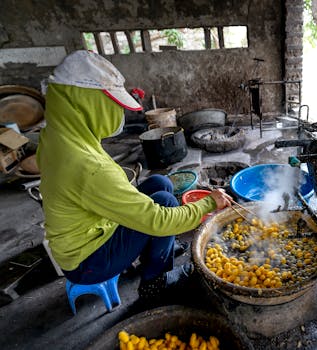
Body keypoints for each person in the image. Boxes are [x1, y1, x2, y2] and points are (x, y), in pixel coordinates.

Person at [36, 50, 232, 301]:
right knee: (166, 204)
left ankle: (162, 248)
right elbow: (156, 219)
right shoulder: (88, 166)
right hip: (87, 262)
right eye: (113, 105)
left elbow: (89, 190)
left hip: (90, 231)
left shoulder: (56, 137)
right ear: (88, 104)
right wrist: (209, 203)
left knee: (160, 183)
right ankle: (153, 285)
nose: (120, 113)